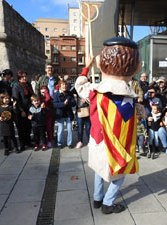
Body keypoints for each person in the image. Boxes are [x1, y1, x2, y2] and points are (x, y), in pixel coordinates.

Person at [75, 37, 141, 214]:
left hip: (98, 140)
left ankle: (97, 199)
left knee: (99, 169)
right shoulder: (132, 98)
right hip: (119, 145)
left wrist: (87, 66)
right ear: (137, 67)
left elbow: (79, 84)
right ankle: (107, 203)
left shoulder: (94, 92)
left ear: (100, 63)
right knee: (119, 174)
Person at [12, 71, 34, 151]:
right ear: (19, 78)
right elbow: (16, 99)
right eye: (22, 77)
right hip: (20, 110)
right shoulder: (16, 86)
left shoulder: (28, 85)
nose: (24, 78)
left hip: (29, 109)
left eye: (25, 76)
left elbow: (32, 96)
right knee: (21, 128)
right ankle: (22, 144)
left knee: (28, 127)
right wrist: (21, 110)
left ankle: (28, 141)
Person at [53, 80, 76, 148]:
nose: (64, 86)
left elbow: (74, 103)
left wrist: (68, 103)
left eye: (66, 85)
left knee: (70, 130)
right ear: (60, 86)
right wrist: (63, 104)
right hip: (60, 115)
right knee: (60, 130)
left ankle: (70, 143)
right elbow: (55, 104)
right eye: (63, 85)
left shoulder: (69, 93)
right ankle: (59, 143)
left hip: (68, 114)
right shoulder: (57, 94)